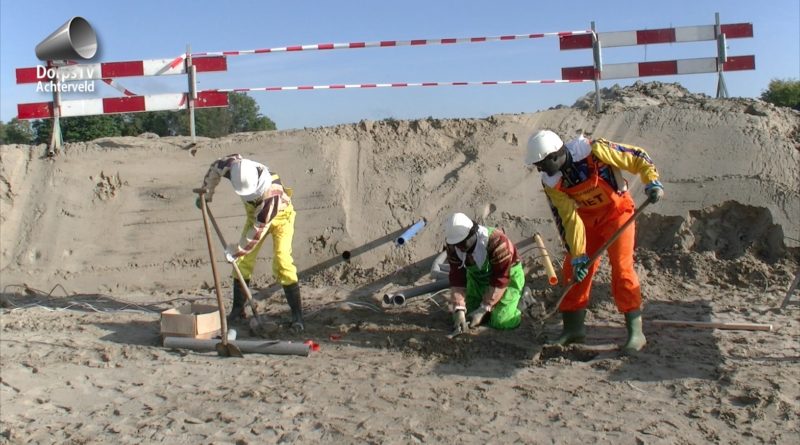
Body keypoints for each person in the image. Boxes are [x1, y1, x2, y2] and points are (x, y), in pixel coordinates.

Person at [524, 130, 664, 354]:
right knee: (573, 269)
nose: (539, 169)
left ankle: (636, 332)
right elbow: (568, 218)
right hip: (587, 220)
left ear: (554, 156)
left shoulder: (594, 151)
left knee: (622, 268)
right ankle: (573, 329)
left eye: (541, 164)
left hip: (618, 213)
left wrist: (652, 181)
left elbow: (637, 156)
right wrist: (578, 254)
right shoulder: (552, 181)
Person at [196, 154, 304, 332]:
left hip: (280, 219)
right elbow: (215, 169)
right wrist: (206, 193)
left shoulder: (272, 192)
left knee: (282, 261)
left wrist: (237, 250)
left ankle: (297, 316)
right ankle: (238, 311)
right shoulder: (234, 166)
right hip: (254, 217)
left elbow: (257, 232)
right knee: (242, 263)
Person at [444, 212, 525, 333]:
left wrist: (484, 308)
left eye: (462, 243)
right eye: (456, 244)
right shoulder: (453, 247)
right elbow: (457, 277)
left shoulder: (498, 242)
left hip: (507, 279)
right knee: (469, 313)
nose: (459, 247)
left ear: (472, 233)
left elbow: (500, 278)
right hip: (478, 279)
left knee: (500, 321)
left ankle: (521, 301)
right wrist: (459, 308)